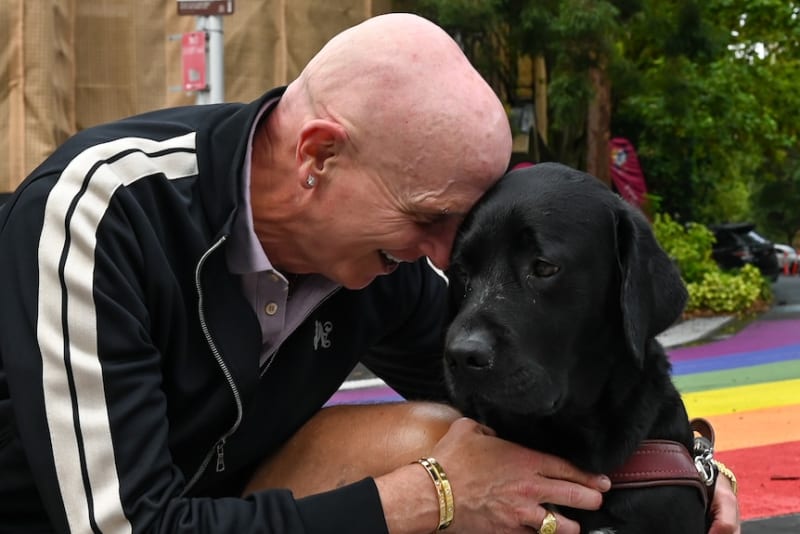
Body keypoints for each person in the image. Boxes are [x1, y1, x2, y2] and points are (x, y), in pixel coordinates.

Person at [0, 13, 739, 534]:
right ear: (318, 157)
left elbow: (529, 408)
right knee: (441, 465)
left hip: (232, 506)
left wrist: (684, 467)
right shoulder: (103, 213)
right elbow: (126, 528)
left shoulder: (382, 258)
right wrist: (431, 497)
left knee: (460, 435)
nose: (443, 256)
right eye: (429, 219)